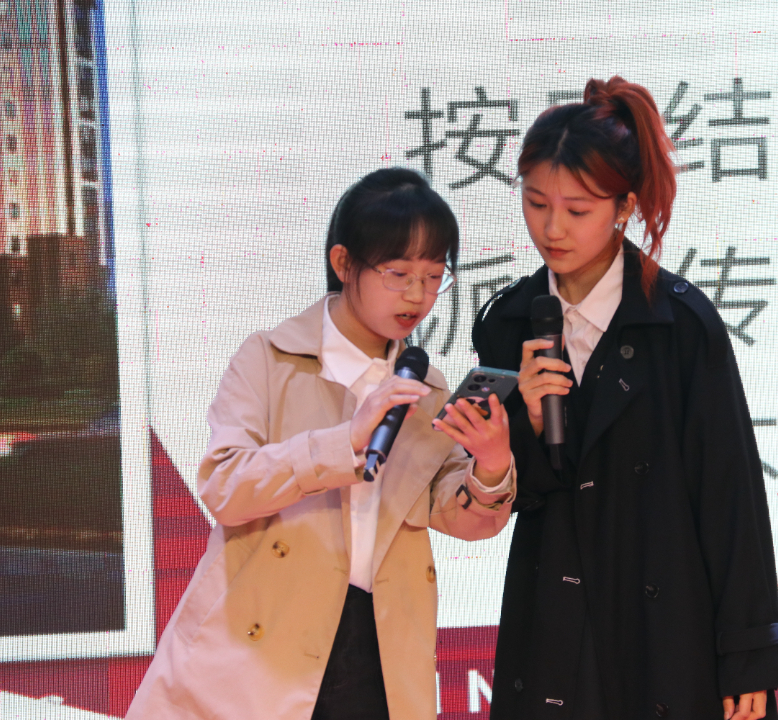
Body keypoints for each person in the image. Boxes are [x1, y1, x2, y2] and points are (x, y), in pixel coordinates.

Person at [127, 167, 516, 720]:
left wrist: (492, 465)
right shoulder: (269, 359)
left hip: (378, 643)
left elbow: (462, 517)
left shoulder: (425, 388)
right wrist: (343, 443)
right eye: (398, 273)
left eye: (434, 277)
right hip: (265, 640)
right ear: (343, 263)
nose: (417, 295)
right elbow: (225, 487)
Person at [472, 76, 778, 720]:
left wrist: (748, 652)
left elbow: (730, 496)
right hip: (552, 622)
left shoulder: (679, 324)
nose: (552, 228)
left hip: (666, 625)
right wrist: (527, 426)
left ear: (624, 206)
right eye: (535, 203)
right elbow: (512, 495)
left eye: (577, 210)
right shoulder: (507, 323)